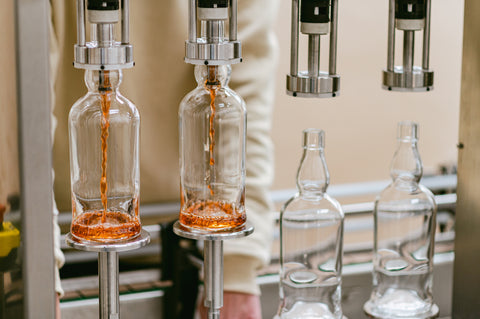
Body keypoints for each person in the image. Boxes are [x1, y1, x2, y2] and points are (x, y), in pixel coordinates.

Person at [49, 0, 279, 317]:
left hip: (184, 245)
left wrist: (236, 267)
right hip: (59, 243)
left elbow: (243, 105)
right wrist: (42, 271)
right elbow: (27, 104)